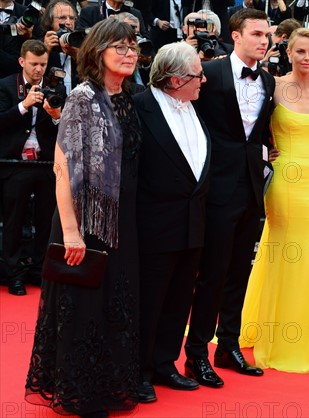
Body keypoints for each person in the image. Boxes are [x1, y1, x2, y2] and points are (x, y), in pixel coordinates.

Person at [24, 19, 142, 417]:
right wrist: (72, 233)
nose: (130, 53)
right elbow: (63, 168)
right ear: (98, 51)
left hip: (120, 220)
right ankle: (78, 391)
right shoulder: (82, 98)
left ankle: (111, 383)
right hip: (84, 220)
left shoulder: (129, 98)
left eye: (133, 47)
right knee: (83, 304)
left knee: (115, 302)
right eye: (120, 47)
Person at [239, 28, 309, 374]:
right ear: (289, 53)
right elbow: (251, 127)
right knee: (283, 247)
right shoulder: (272, 85)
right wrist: (266, 152)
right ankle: (278, 331)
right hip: (284, 179)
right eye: (300, 52)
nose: (307, 58)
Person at [184, 8, 275, 387]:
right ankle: (196, 355)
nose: (263, 41)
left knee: (240, 270)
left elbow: (257, 133)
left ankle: (229, 346)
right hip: (216, 187)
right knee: (213, 273)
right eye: (256, 34)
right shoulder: (212, 72)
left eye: (267, 35)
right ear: (235, 36)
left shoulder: (268, 81)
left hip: (252, 187)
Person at [135, 41, 211, 402]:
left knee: (180, 299)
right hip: (152, 225)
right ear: (176, 79)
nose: (204, 80)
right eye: (197, 74)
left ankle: (165, 363)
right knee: (148, 301)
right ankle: (139, 371)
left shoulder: (195, 107)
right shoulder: (139, 106)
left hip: (192, 224)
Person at [0, 40, 61, 296]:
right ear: (22, 61)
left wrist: (56, 114)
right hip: (14, 164)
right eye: (34, 64)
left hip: (46, 164)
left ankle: (39, 269)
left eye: (43, 64)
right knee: (13, 222)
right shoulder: (5, 86)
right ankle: (12, 273)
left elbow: (65, 130)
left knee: (46, 221)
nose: (39, 69)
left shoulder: (55, 88)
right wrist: (24, 105)